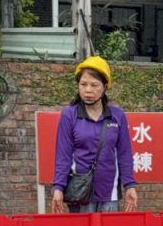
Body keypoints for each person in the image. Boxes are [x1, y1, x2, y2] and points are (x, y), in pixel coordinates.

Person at [52, 56, 137, 213]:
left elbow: (124, 154)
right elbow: (63, 155)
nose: (88, 90)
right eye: (83, 84)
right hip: (80, 193)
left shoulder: (117, 116)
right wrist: (58, 187)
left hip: (109, 193)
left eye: (94, 85)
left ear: (105, 87)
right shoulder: (69, 115)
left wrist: (129, 185)